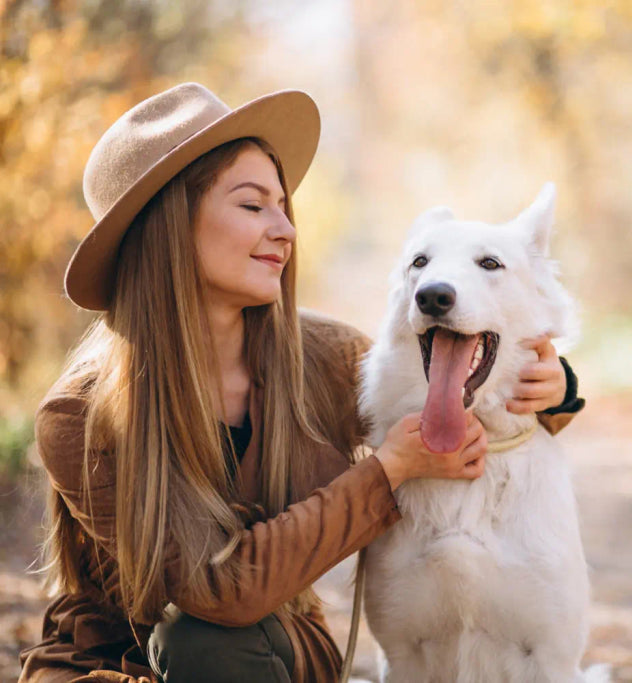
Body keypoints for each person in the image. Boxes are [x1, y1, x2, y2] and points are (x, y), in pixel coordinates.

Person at [18, 83, 584, 683]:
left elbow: (449, 382)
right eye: (253, 205)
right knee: (204, 634)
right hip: (109, 660)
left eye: (284, 206)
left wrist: (556, 383)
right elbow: (217, 591)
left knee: (214, 648)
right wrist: (385, 472)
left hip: (266, 654)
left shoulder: (325, 357)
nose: (286, 229)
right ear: (171, 226)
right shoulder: (79, 415)